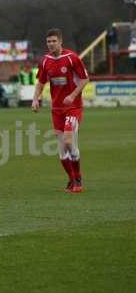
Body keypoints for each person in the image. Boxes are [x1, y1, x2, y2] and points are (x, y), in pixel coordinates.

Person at [32, 28, 89, 193]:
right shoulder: (45, 61)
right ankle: (71, 180)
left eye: (54, 41)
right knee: (62, 149)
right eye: (48, 41)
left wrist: (72, 95)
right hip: (56, 109)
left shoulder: (72, 58)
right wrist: (36, 99)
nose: (51, 44)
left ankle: (78, 179)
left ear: (60, 41)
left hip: (73, 107)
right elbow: (41, 82)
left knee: (69, 140)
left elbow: (85, 79)